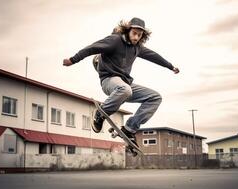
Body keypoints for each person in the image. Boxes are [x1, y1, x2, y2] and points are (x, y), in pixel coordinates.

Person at [63, 17, 179, 145]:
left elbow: (154, 56)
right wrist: (73, 59)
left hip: (125, 84)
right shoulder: (115, 40)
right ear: (128, 30)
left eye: (139, 35)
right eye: (134, 33)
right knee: (125, 89)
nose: (136, 38)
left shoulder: (138, 47)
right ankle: (100, 114)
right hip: (109, 81)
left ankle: (130, 128)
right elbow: (92, 48)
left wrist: (170, 66)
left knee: (155, 97)